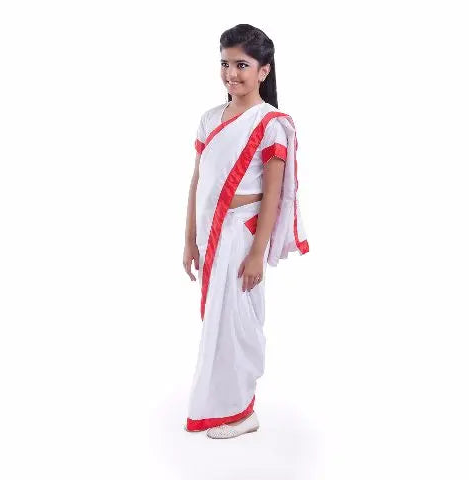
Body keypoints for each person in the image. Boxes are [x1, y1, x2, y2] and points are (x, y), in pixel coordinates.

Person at [182, 24, 309, 439]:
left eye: (242, 65)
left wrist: (257, 253)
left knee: (238, 322)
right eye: (225, 63)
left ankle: (241, 412)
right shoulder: (209, 119)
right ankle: (222, 404)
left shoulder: (270, 124)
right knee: (216, 323)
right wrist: (188, 240)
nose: (231, 73)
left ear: (263, 70)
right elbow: (198, 181)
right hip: (211, 234)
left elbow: (273, 195)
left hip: (241, 235)